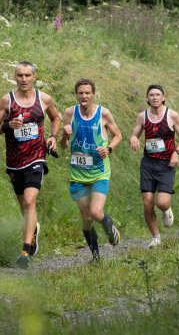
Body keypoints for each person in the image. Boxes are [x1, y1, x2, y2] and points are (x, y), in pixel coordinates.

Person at [0, 61, 61, 269]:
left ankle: (25, 251)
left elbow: (56, 118)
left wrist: (53, 136)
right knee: (24, 206)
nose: (23, 79)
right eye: (20, 75)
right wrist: (8, 125)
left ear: (34, 77)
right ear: (15, 77)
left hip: (36, 157)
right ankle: (33, 229)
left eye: (27, 75)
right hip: (15, 161)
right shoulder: (7, 100)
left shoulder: (44, 99)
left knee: (30, 201)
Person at [60, 78, 122, 262]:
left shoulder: (103, 113)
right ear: (76, 94)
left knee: (95, 212)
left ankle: (109, 226)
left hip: (99, 172)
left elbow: (118, 135)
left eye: (87, 93)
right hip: (78, 174)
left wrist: (108, 149)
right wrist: (64, 135)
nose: (84, 96)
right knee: (86, 217)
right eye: (80, 93)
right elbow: (64, 145)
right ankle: (96, 257)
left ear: (93, 94)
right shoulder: (70, 113)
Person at [129, 84, 179, 248]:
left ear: (163, 98)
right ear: (147, 98)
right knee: (147, 202)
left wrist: (176, 152)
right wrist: (133, 138)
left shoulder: (172, 115)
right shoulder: (142, 117)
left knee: (161, 202)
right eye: (151, 95)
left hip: (166, 163)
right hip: (148, 163)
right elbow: (135, 134)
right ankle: (156, 237)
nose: (154, 97)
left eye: (157, 95)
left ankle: (166, 210)